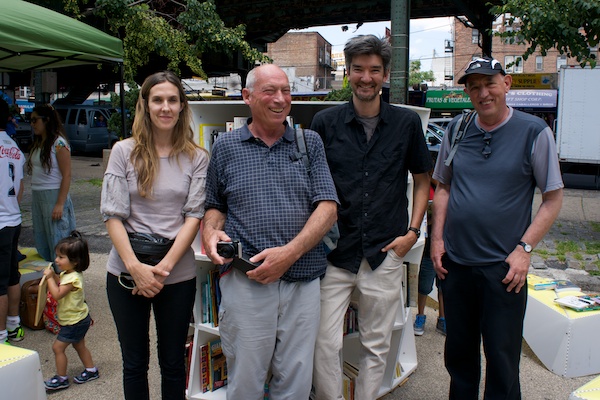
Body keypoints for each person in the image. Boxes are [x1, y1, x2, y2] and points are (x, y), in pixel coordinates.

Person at [430, 57, 564, 399]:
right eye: (474, 86)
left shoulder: (534, 132)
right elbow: (442, 187)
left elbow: (552, 199)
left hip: (504, 269)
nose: (483, 92)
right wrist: (437, 240)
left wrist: (525, 250)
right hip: (456, 265)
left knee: (502, 358)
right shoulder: (456, 130)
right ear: (467, 92)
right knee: (459, 355)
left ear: (507, 84)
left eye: (490, 83)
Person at [202, 64, 338, 399]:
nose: (280, 99)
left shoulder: (310, 142)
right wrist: (210, 233)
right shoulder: (226, 147)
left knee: (295, 381)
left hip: (303, 280)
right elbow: (214, 206)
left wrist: (288, 254)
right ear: (247, 96)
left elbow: (329, 207)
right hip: (246, 280)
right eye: (269, 91)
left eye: (286, 91)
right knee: (245, 379)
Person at [311, 35, 432, 400]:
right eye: (359, 69)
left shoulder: (407, 124)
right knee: (323, 342)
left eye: (374, 70)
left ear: (385, 75)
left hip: (386, 250)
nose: (366, 77)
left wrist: (413, 232)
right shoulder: (324, 123)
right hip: (334, 251)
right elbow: (311, 185)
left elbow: (424, 180)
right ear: (347, 73)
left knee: (376, 346)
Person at [101, 70, 208, 400]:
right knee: (134, 364)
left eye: (172, 100)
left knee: (173, 363)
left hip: (177, 276)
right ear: (145, 105)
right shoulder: (124, 151)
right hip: (126, 274)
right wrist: (135, 268)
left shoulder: (197, 157)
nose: (165, 107)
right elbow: (113, 215)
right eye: (158, 100)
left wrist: (161, 271)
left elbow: (193, 218)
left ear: (181, 106)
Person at [42, 230, 99, 391]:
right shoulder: (69, 273)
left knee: (57, 348)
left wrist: (48, 278)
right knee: (79, 345)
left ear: (75, 261)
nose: (56, 260)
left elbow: (57, 294)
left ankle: (61, 379)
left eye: (61, 257)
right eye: (57, 256)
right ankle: (91, 370)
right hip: (77, 318)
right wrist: (53, 276)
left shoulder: (73, 278)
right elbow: (60, 283)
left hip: (74, 322)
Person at [26, 104, 76, 262]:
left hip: (53, 195)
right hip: (38, 196)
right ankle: (49, 278)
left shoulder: (59, 143)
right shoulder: (38, 143)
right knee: (42, 238)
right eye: (31, 120)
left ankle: (64, 279)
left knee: (58, 239)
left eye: (35, 120)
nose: (32, 124)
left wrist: (60, 203)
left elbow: (67, 175)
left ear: (46, 120)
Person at [0, 98, 26, 345]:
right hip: (13, 218)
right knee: (12, 275)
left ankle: (0, 337)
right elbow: (19, 189)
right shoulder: (14, 147)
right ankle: (13, 325)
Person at [414, 177, 445, 336]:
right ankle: (420, 315)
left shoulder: (449, 189)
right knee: (424, 286)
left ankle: (443, 318)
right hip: (428, 247)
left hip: (447, 246)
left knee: (443, 286)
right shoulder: (426, 189)